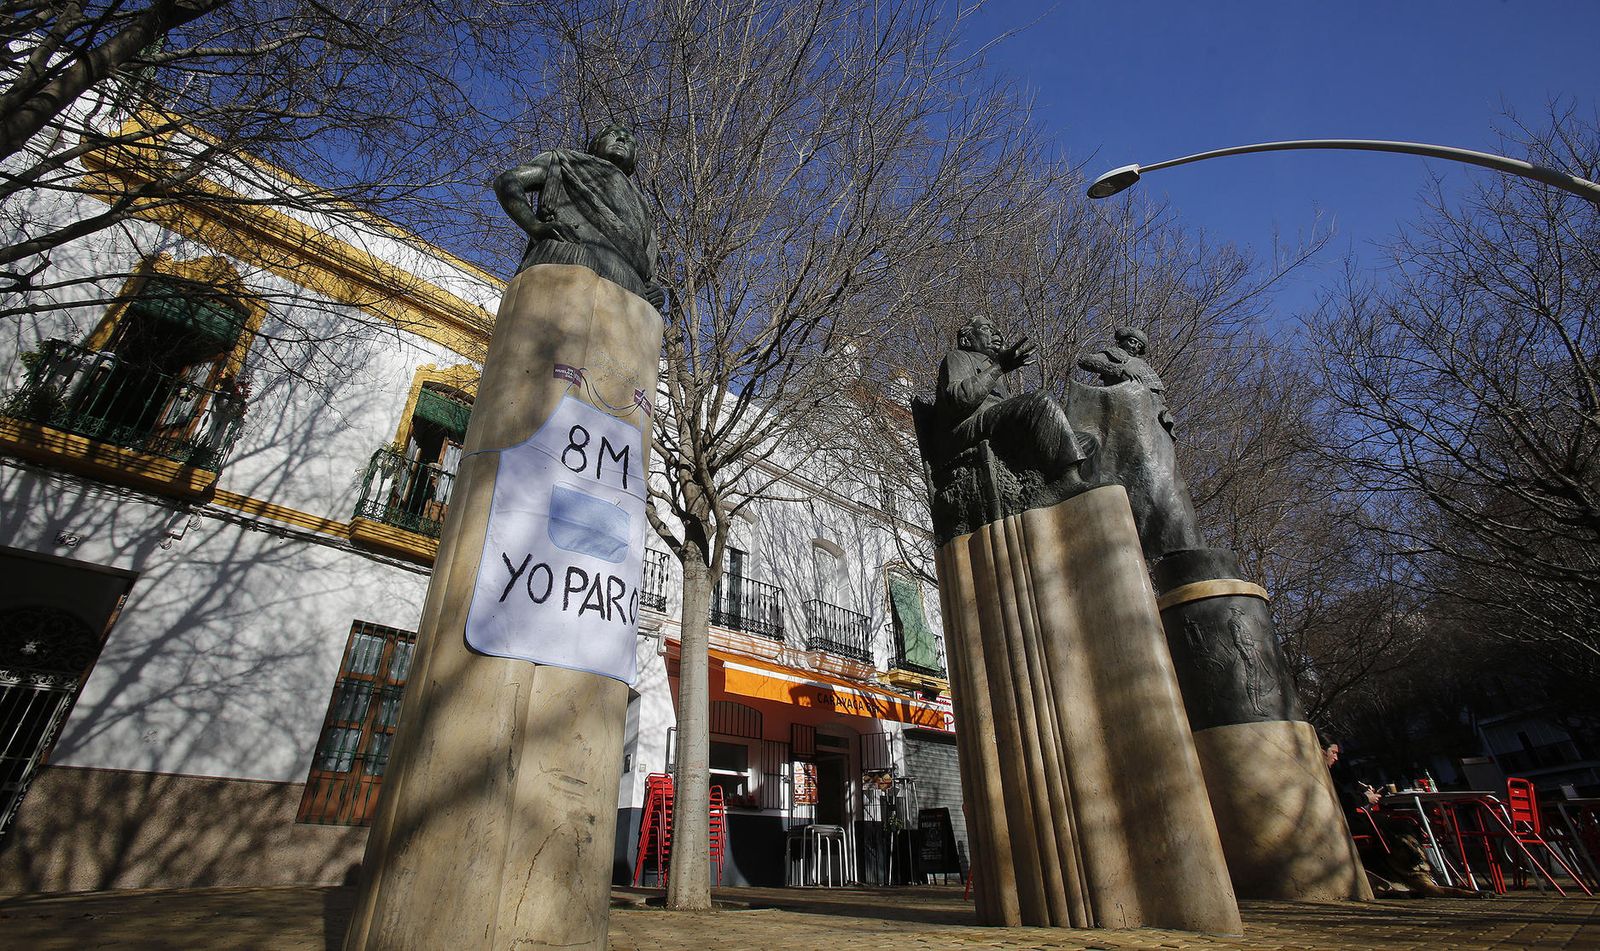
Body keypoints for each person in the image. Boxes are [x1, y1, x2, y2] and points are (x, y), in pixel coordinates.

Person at [495, 124, 667, 309]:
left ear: (634, 157)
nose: (621, 140)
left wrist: (655, 290)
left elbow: (648, 269)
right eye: (612, 134)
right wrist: (534, 226)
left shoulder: (643, 207)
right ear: (596, 144)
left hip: (628, 290)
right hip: (569, 258)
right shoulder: (565, 161)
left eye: (629, 141)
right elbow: (508, 181)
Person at [932, 316, 1096, 480]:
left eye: (996, 329)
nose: (996, 333)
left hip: (995, 429)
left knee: (1085, 442)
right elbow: (958, 399)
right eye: (986, 329)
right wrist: (999, 367)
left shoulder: (993, 368)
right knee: (1041, 400)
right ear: (966, 340)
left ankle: (1078, 490)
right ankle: (1069, 481)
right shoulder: (958, 357)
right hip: (968, 429)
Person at [1077, 326, 1175, 437]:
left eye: (1139, 346)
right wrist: (1120, 369)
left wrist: (1162, 410)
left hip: (1144, 412)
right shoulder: (1114, 354)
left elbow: (1155, 393)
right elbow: (1085, 360)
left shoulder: (1143, 365)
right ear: (1122, 340)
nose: (1135, 347)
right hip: (1117, 405)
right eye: (1132, 342)